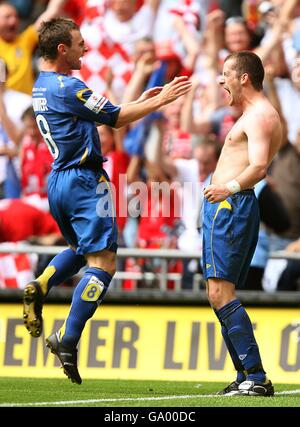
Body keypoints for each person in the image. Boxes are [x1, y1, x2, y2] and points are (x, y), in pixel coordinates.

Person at [21, 17, 191, 385]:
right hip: (84, 180)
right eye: (79, 43)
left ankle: (44, 282)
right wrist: (161, 99)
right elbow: (113, 118)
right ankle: (68, 338)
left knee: (81, 248)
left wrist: (138, 102)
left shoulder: (42, 86)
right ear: (62, 49)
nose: (86, 48)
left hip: (59, 181)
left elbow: (101, 113)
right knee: (105, 262)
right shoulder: (69, 86)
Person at [202, 50, 282, 396]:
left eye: (226, 74)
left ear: (243, 77)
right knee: (216, 293)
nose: (222, 81)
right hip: (225, 205)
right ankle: (244, 374)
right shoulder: (252, 113)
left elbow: (259, 167)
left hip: (232, 206)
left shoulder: (261, 115)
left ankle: (256, 376)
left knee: (222, 292)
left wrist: (227, 189)